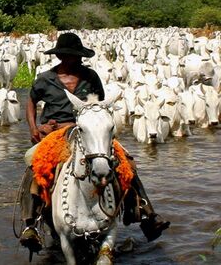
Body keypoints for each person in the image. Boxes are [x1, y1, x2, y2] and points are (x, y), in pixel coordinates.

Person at [19, 32, 170, 253]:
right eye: (71, 56)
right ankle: (30, 224)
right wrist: (34, 128)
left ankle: (145, 211)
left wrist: (100, 129)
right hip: (54, 133)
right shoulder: (44, 79)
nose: (76, 60)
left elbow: (99, 106)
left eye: (78, 56)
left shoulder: (90, 77)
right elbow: (31, 102)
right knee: (35, 163)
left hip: (88, 130)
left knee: (124, 160)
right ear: (62, 56)